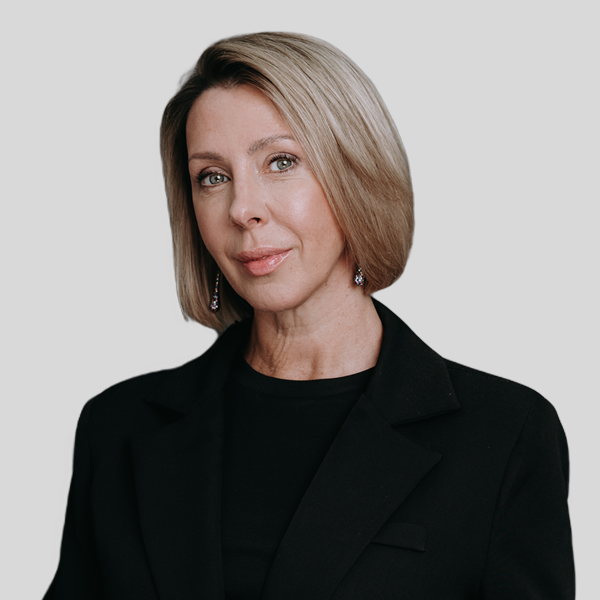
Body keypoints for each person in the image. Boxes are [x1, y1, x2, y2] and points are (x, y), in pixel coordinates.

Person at [43, 32, 574, 600]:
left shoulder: (505, 434)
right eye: (212, 177)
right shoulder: (119, 427)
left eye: (281, 162)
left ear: (358, 176)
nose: (242, 209)